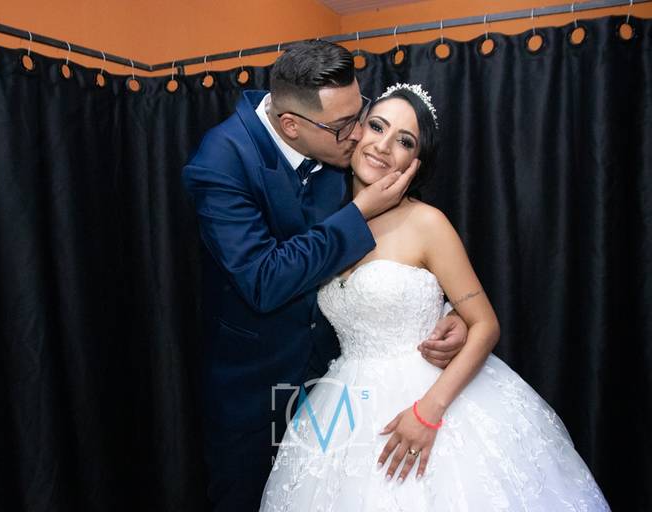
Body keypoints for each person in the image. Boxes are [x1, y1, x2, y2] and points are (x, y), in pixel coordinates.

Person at [260, 84, 611, 511]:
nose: (383, 146)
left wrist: (428, 412)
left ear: (416, 163)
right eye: (377, 127)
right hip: (345, 401)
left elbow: (485, 323)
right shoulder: (329, 223)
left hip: (431, 395)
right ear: (355, 130)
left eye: (404, 141)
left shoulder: (427, 223)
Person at [181, 41, 469, 511]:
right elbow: (264, 280)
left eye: (361, 114)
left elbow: (403, 251)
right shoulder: (220, 163)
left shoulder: (342, 143)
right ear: (291, 126)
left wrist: (448, 309)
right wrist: (358, 212)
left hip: (340, 387)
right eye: (344, 127)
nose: (360, 136)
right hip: (256, 391)